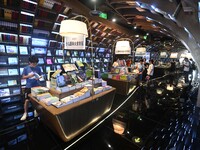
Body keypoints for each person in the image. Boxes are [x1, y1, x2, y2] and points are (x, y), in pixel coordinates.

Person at [20, 56, 42, 121]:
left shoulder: (38, 68)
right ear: (30, 62)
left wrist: (38, 77)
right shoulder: (26, 68)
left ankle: (36, 110)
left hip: (37, 85)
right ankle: (25, 113)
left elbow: (40, 75)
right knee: (27, 100)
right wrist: (29, 76)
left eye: (36, 63)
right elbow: (23, 77)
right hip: (29, 86)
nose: (35, 65)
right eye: (33, 63)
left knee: (37, 100)